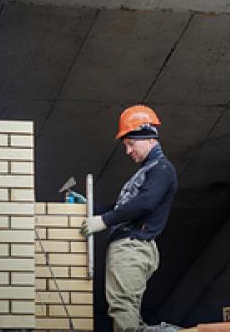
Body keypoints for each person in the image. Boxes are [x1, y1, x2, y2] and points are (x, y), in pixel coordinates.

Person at [81, 105, 178, 332]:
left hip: (132, 247)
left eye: (131, 144)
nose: (128, 151)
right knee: (127, 315)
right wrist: (88, 208)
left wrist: (103, 221)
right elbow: (123, 208)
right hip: (130, 247)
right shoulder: (148, 171)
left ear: (148, 138)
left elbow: (145, 203)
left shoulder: (162, 169)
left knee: (123, 310)